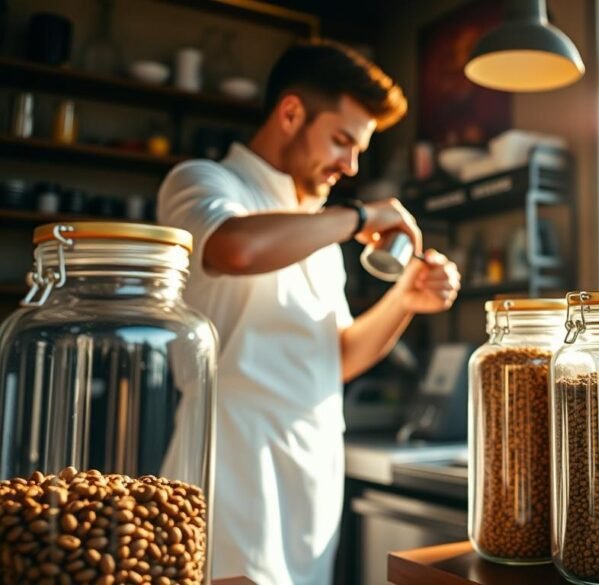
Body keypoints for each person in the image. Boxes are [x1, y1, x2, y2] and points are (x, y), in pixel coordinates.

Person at [157, 40, 461, 585]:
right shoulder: (203, 183)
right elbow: (235, 249)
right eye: (342, 141)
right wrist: (360, 215)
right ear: (291, 113)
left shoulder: (319, 227)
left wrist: (404, 301)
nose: (350, 165)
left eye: (359, 150)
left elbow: (337, 357)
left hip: (312, 484)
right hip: (231, 470)